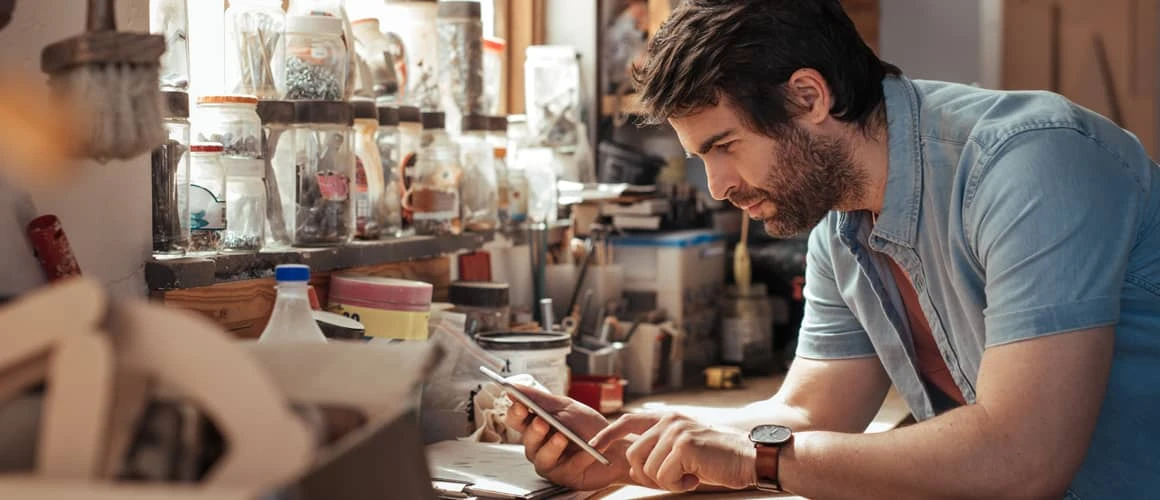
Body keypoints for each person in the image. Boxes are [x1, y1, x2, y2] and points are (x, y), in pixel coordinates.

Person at [505, 0, 1160, 498]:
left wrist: (762, 461)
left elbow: (1025, 456)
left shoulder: (1029, 165)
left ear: (808, 96)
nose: (719, 186)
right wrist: (631, 439)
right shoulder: (841, 227)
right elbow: (808, 413)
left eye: (723, 146)